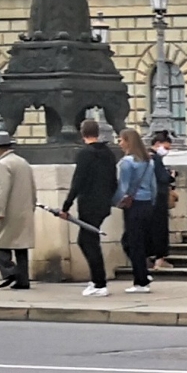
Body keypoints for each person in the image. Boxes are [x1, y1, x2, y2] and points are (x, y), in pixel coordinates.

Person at [60, 119, 118, 296]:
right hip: (103, 204)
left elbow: (77, 182)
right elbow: (113, 181)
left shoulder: (85, 154)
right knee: (89, 240)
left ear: (82, 133)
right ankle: (97, 280)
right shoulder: (108, 153)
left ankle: (99, 282)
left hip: (88, 204)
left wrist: (66, 206)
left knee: (87, 242)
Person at [0, 130, 36, 289]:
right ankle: (23, 280)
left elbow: (2, 190)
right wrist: (32, 206)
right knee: (21, 247)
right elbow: (33, 188)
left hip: (9, 212)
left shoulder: (3, 164)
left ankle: (10, 271)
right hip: (25, 210)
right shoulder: (23, 162)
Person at [113, 126, 156, 294]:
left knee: (133, 243)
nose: (119, 143)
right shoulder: (148, 161)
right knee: (136, 242)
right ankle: (143, 273)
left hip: (134, 204)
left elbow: (124, 186)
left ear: (128, 142)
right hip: (146, 204)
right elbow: (153, 185)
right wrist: (152, 202)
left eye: (121, 140)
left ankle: (141, 281)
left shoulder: (127, 162)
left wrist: (115, 202)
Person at [146, 131, 178, 273]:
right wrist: (171, 176)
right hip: (158, 198)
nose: (167, 151)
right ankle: (160, 259)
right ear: (157, 144)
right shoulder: (155, 159)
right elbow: (163, 178)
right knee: (160, 229)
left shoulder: (145, 157)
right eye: (166, 147)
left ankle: (150, 257)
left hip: (148, 198)